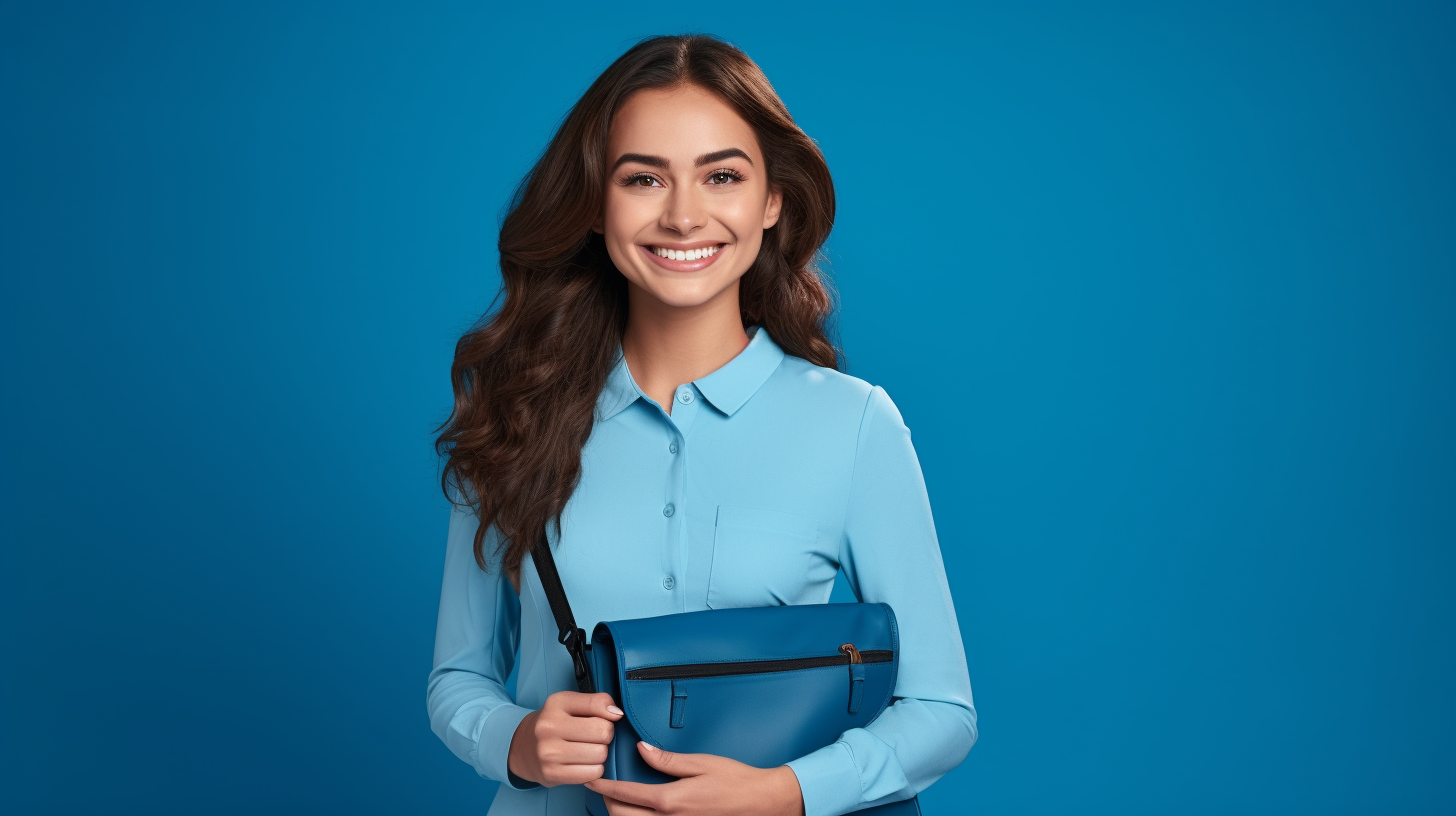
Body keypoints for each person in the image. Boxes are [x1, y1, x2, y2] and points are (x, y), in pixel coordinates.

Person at [427, 34, 976, 816]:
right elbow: (457, 679)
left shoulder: (856, 425)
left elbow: (943, 712)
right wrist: (515, 741)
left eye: (722, 176)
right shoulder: (514, 417)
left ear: (771, 200)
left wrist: (785, 793)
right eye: (643, 178)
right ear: (595, 204)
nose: (684, 216)